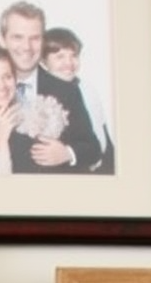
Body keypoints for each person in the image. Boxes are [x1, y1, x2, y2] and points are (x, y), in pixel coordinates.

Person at [0, 0, 101, 172]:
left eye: (35, 38)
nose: (27, 47)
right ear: (3, 40)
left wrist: (67, 153)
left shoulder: (66, 90)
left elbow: (93, 149)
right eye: (18, 37)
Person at [41, 26, 114, 174]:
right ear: (43, 61)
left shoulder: (87, 90)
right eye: (60, 57)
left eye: (73, 56)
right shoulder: (42, 95)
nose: (69, 63)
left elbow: (102, 133)